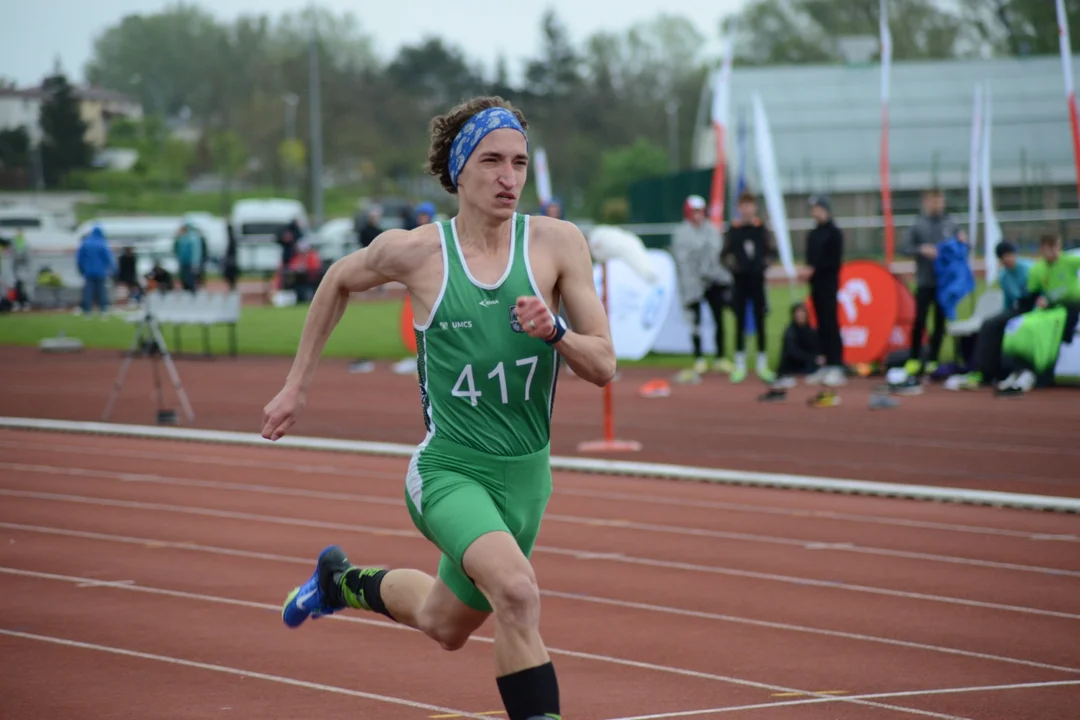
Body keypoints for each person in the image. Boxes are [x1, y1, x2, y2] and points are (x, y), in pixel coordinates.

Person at [261, 96, 615, 720]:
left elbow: (605, 365)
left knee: (443, 622)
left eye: (520, 163)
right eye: (492, 162)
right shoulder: (419, 253)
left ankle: (338, 582)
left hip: (528, 479)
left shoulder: (558, 245)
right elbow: (338, 279)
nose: (510, 178)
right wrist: (297, 386)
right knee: (516, 592)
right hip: (450, 471)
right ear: (459, 171)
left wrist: (555, 331)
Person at [671, 194, 732, 381]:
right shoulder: (681, 233)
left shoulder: (712, 230)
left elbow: (718, 253)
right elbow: (683, 259)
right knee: (695, 321)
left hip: (712, 282)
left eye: (700, 211)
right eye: (694, 212)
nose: (698, 215)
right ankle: (698, 358)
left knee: (718, 319)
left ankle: (721, 357)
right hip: (693, 285)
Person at [901, 188, 959, 380]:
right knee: (919, 320)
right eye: (933, 201)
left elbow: (961, 246)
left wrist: (962, 242)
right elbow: (904, 248)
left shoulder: (950, 224)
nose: (937, 204)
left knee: (940, 322)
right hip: (925, 281)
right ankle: (915, 357)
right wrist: (921, 249)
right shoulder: (918, 225)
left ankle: (934, 358)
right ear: (926, 202)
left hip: (944, 283)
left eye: (940, 201)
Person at [721, 190, 776, 383]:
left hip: (757, 281)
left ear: (754, 207)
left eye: (750, 205)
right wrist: (734, 268)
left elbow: (772, 252)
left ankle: (762, 364)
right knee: (740, 322)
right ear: (739, 208)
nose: (746, 209)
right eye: (743, 205)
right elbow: (724, 255)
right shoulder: (733, 229)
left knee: (761, 321)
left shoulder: (761, 228)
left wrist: (762, 265)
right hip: (740, 282)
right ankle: (740, 364)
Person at [803, 196, 844, 387]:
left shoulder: (834, 233)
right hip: (816, 285)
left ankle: (836, 365)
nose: (815, 212)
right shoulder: (812, 234)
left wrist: (815, 268)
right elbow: (810, 258)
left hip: (829, 284)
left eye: (818, 208)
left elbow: (834, 261)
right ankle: (825, 364)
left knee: (830, 323)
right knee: (819, 324)